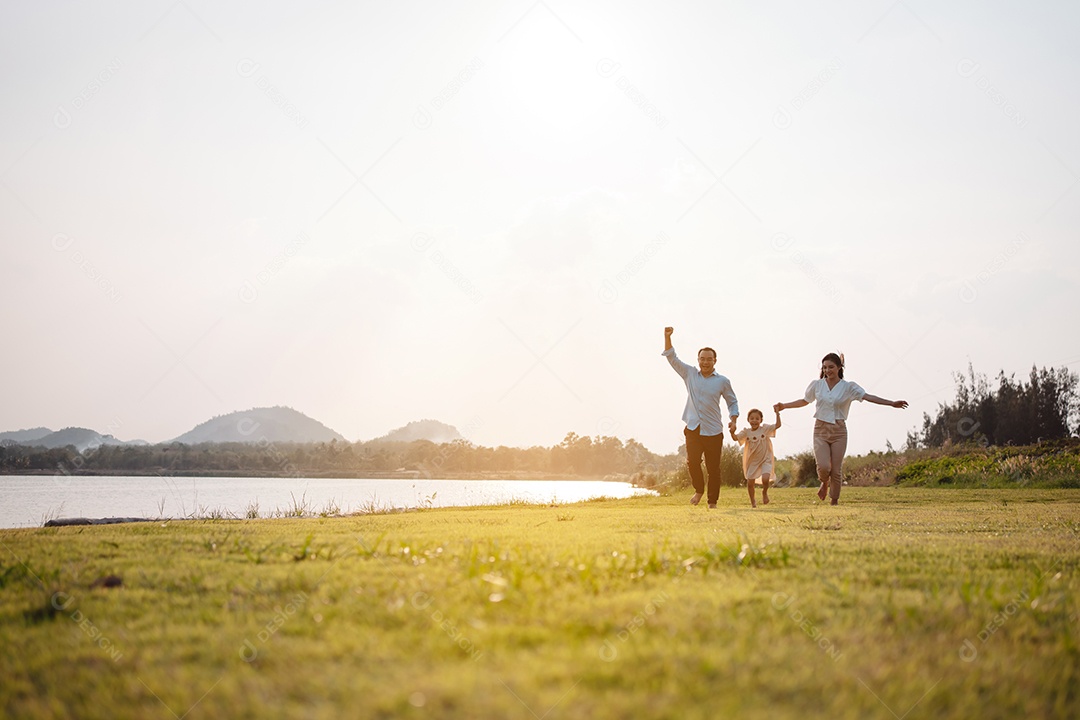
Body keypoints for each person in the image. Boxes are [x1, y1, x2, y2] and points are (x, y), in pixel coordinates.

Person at [773, 353, 907, 505]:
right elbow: (804, 401)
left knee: (836, 470)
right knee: (823, 467)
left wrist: (891, 403)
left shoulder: (848, 387)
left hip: (839, 431)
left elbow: (868, 397)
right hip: (820, 430)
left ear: (839, 368)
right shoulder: (817, 385)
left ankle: (834, 501)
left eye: (831, 367)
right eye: (824, 368)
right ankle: (824, 482)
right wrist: (784, 406)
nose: (827, 370)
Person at [662, 326, 739, 509]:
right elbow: (672, 358)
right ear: (698, 360)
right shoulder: (689, 374)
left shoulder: (722, 381)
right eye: (702, 359)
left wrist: (733, 419)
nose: (705, 362)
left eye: (709, 359)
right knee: (692, 462)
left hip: (713, 430)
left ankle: (712, 502)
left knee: (714, 470)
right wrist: (667, 337)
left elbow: (732, 401)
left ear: (715, 361)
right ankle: (698, 489)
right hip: (693, 427)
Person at [730, 408, 780, 508]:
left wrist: (777, 413)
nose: (754, 421)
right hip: (752, 461)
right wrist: (732, 431)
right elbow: (736, 438)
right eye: (752, 418)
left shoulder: (764, 429)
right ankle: (753, 502)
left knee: (766, 479)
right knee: (750, 483)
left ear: (761, 420)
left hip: (765, 459)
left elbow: (778, 425)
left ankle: (764, 492)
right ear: (748, 420)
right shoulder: (746, 432)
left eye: (757, 418)